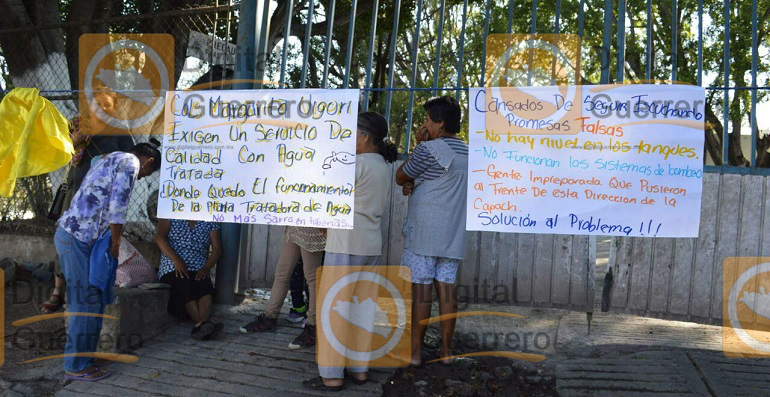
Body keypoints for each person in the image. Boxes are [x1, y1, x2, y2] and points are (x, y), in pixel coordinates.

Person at [303, 111, 398, 391]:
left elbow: (332, 201)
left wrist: (323, 222)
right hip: (371, 244)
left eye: (353, 133)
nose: (349, 138)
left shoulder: (354, 165)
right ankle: (359, 370)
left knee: (334, 308)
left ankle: (332, 375)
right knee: (362, 309)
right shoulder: (383, 165)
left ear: (365, 137)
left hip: (345, 243)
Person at [54, 140, 161, 381]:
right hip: (76, 239)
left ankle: (86, 357)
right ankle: (75, 365)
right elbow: (118, 207)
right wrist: (115, 244)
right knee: (85, 302)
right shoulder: (130, 162)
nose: (143, 178)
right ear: (148, 161)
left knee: (94, 300)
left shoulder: (109, 157)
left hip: (78, 238)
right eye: (148, 174)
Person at [42, 87, 134, 314]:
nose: (102, 109)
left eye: (108, 105)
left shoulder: (120, 132)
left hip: (104, 201)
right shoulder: (76, 125)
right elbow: (59, 154)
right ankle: (58, 292)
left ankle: (88, 292)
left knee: (97, 244)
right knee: (67, 242)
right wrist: (78, 138)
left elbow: (130, 160)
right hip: (75, 195)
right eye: (98, 104)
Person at [395, 96, 468, 367]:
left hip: (425, 233)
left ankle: (415, 353)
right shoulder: (470, 153)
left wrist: (418, 144)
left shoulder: (430, 149)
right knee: (447, 292)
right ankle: (447, 352)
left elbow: (401, 175)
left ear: (439, 122)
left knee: (422, 293)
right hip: (453, 232)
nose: (425, 124)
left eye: (427, 119)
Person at [239, 226, 325, 349]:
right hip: (294, 224)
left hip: (312, 225)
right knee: (282, 273)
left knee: (312, 278)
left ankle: (313, 326)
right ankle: (269, 317)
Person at [156, 219, 223, 340]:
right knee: (183, 283)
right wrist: (176, 260)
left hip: (199, 266)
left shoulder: (210, 221)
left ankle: (200, 326)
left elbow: (217, 249)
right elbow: (160, 238)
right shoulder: (170, 215)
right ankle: (202, 325)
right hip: (172, 265)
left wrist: (206, 268)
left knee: (204, 285)